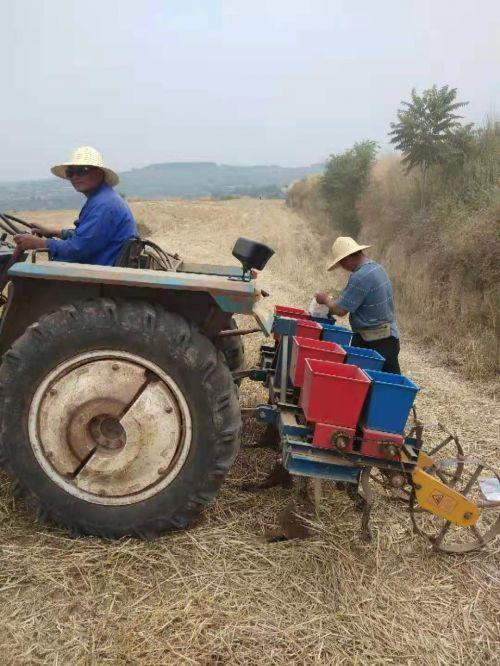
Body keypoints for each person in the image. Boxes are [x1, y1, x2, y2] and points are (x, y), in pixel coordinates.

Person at [14, 146, 137, 266]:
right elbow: (88, 238)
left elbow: (77, 250)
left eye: (82, 170)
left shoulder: (104, 205)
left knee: (22, 282)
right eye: (70, 173)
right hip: (101, 271)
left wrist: (39, 243)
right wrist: (56, 232)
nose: (75, 177)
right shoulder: (103, 199)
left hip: (101, 278)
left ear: (100, 173)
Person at [315, 236, 401, 374]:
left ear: (348, 258)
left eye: (342, 263)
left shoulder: (360, 276)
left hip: (375, 340)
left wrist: (324, 299)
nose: (343, 267)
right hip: (387, 336)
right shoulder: (375, 268)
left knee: (374, 385)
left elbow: (341, 309)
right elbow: (353, 299)